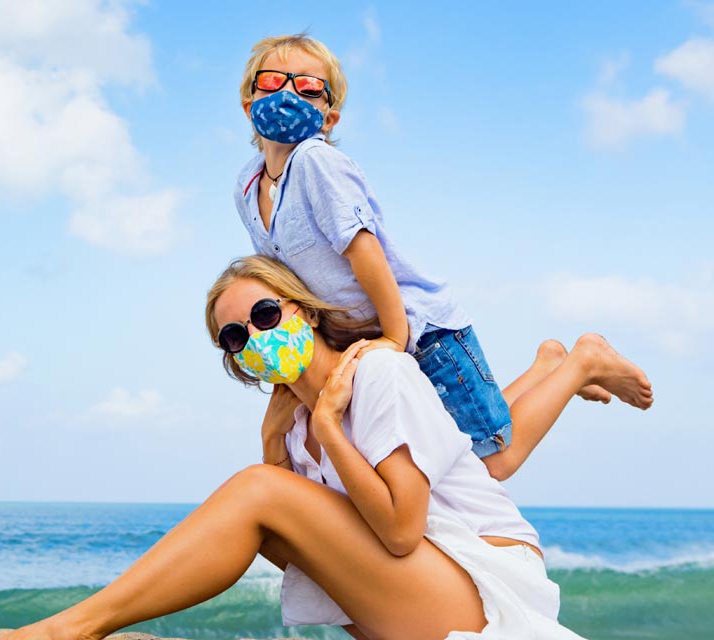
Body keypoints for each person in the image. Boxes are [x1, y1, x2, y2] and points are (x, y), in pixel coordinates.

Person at [0, 256, 624, 640]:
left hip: (485, 588)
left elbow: (398, 530)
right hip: (423, 585)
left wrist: (330, 430)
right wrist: (276, 445)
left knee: (261, 491)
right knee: (265, 491)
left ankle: (71, 629)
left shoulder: (379, 375)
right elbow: (289, 544)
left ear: (303, 310)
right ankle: (75, 625)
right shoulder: (298, 421)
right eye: (233, 337)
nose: (252, 337)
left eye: (262, 313)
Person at [233, 34, 652, 480]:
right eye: (274, 80)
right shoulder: (246, 187)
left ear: (329, 117)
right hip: (367, 344)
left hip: (420, 330)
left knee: (492, 461)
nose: (287, 93)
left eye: (308, 88)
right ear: (247, 100)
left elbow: (364, 252)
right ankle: (549, 365)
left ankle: (583, 360)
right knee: (456, 449)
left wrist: (396, 337)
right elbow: (281, 280)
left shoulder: (317, 162)